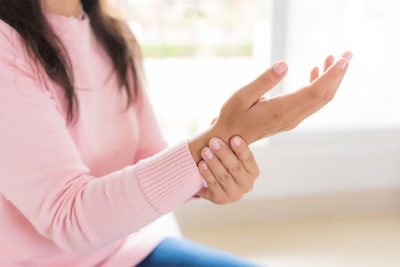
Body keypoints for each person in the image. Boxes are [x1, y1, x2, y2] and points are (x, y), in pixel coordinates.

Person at [0, 0, 352, 266]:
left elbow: (148, 155)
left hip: (130, 251)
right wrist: (217, 139)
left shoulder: (110, 32)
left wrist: (212, 167)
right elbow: (69, 219)